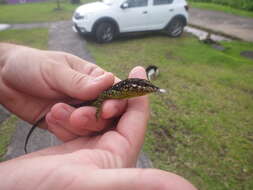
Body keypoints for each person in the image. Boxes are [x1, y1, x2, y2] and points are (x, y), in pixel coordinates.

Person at [0, 43, 196, 190]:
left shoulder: (126, 92)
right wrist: (98, 109)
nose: (144, 91)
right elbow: (103, 95)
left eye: (146, 88)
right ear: (132, 88)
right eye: (142, 88)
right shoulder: (118, 91)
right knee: (82, 114)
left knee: (82, 116)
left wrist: (7, 59)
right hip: (87, 101)